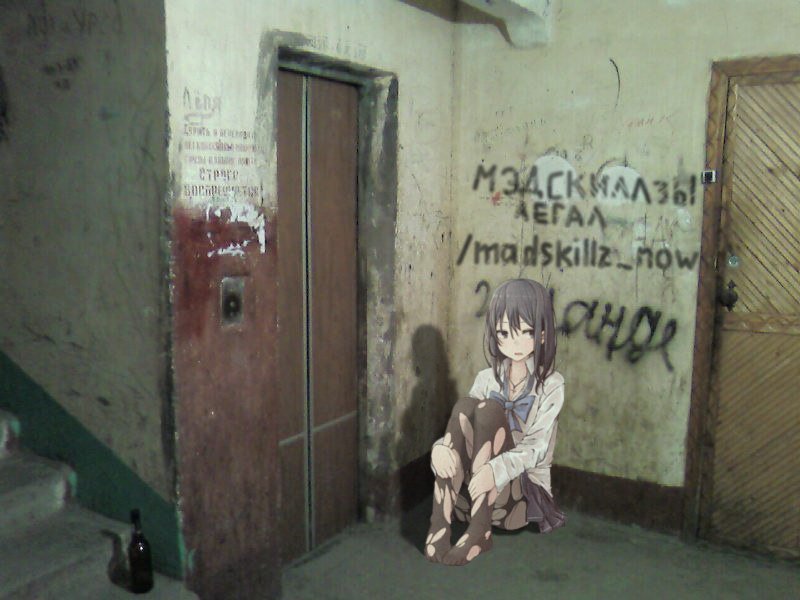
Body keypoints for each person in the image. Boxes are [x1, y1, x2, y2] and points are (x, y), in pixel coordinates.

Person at [425, 278, 566, 565]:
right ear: (494, 333)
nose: (514, 342)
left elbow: (536, 449)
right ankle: (439, 525)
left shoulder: (552, 384)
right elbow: (463, 432)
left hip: (518, 499)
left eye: (526, 332)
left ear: (542, 334)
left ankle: (480, 532)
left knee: (489, 410)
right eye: (504, 332)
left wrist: (495, 469)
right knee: (466, 406)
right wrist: (440, 449)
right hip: (471, 493)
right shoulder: (486, 378)